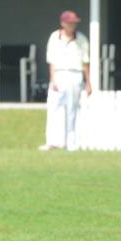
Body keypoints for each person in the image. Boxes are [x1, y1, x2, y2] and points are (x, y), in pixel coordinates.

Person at [39, 10, 92, 151]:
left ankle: (71, 143)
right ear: (63, 23)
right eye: (70, 23)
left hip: (75, 75)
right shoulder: (54, 37)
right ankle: (51, 142)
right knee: (53, 108)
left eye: (74, 23)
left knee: (72, 109)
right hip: (59, 74)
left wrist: (88, 82)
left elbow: (85, 62)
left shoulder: (81, 38)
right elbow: (51, 60)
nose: (73, 25)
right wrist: (53, 79)